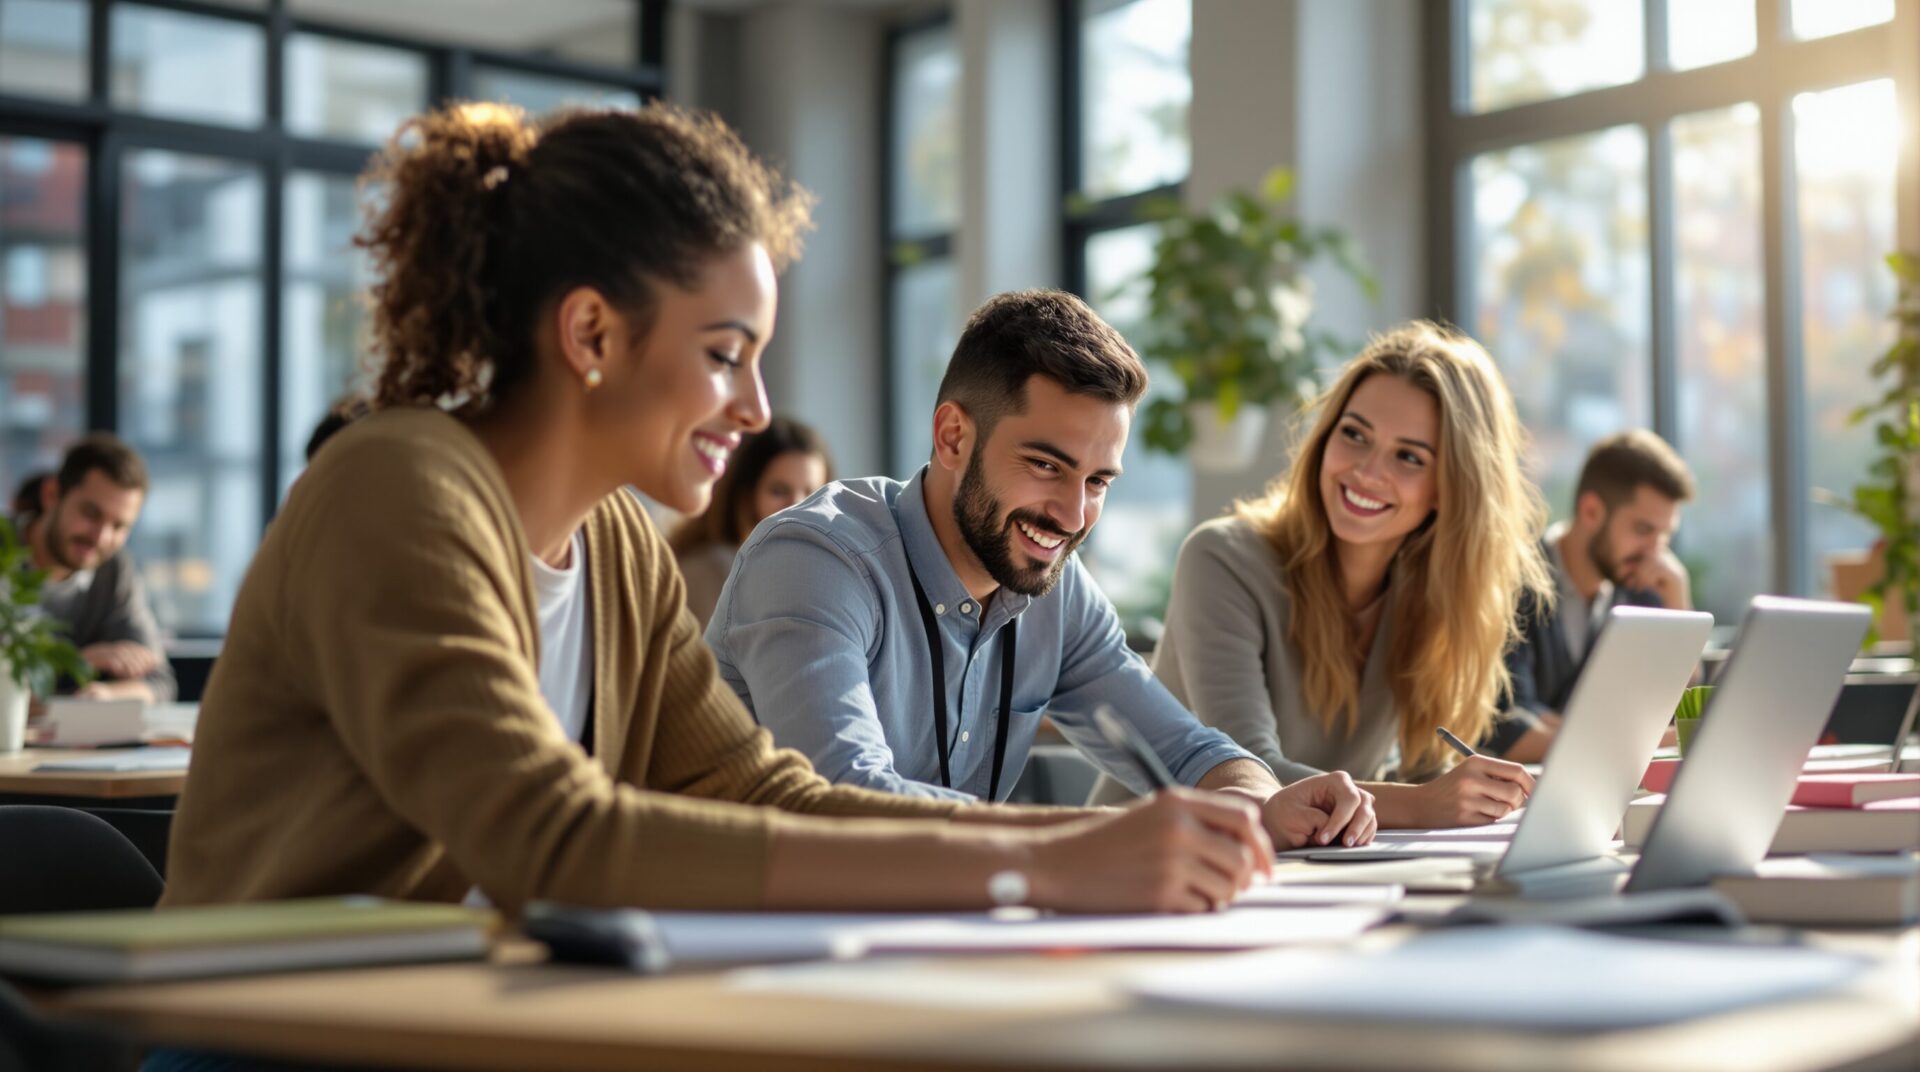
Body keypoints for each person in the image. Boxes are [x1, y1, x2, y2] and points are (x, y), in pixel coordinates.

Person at [160, 102, 1282, 928]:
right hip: (273, 1038)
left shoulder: (616, 551)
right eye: (723, 356)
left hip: (477, 1022)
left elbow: (767, 793)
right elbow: (553, 836)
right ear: (593, 334)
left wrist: (1092, 840)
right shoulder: (397, 485)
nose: (754, 407)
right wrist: (1043, 868)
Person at [706, 289, 1377, 849]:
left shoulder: (1053, 589)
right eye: (1046, 466)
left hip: (925, 938)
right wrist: (1101, 839)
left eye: (1099, 481)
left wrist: (1261, 800)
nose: (1073, 513)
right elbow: (842, 799)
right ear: (952, 437)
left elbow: (1186, 751)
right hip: (728, 948)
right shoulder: (815, 562)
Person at [1090, 323, 1552, 828]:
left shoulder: (1428, 599)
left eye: (1409, 457)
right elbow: (1247, 776)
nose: (1367, 472)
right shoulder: (1221, 558)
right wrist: (1424, 803)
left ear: (1450, 488)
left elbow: (1418, 771)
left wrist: (1490, 796)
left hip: (1306, 873)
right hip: (1150, 863)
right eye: (1354, 434)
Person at [1500, 429, 1695, 762]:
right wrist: (1637, 738)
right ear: (1591, 511)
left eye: (1664, 536)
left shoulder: (1643, 591)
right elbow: (1507, 730)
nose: (1655, 553)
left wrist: (1679, 602)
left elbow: (1681, 714)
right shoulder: (1513, 582)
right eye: (1643, 530)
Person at [11, 434, 174, 704]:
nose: (101, 537)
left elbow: (159, 682)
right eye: (91, 514)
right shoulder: (6, 548)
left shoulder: (115, 570)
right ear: (52, 495)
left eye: (119, 526)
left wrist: (107, 696)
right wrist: (77, 664)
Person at [669, 416, 832, 628]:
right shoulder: (713, 570)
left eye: (811, 493)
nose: (797, 506)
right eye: (779, 491)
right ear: (745, 494)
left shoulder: (813, 575)